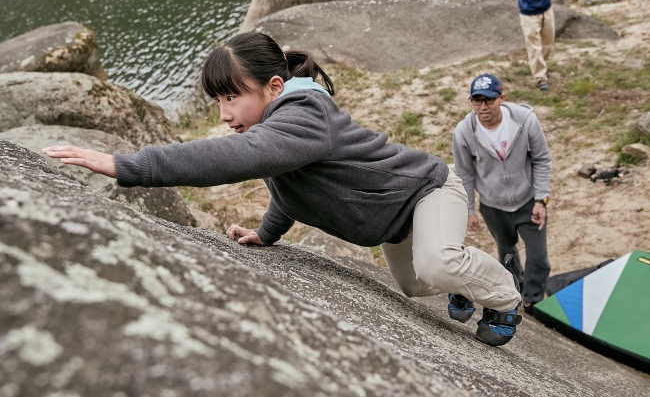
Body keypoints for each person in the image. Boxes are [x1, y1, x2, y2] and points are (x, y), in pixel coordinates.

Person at [43, 32, 522, 346]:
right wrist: (265, 234)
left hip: (428, 191)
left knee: (439, 262)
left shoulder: (306, 117)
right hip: (392, 222)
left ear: (274, 86)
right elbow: (292, 190)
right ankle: (460, 284)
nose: (225, 112)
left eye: (232, 96)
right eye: (217, 101)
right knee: (418, 286)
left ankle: (504, 297)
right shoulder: (278, 136)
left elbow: (236, 159)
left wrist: (130, 165)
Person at [452, 73, 552, 315]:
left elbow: (541, 159)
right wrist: (469, 210)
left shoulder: (525, 119)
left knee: (539, 258)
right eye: (477, 101)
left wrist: (541, 199)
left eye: (488, 100)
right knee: (506, 252)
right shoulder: (464, 132)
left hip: (528, 201)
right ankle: (513, 292)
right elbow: (465, 174)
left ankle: (534, 301)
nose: (483, 107)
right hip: (493, 206)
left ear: (501, 98)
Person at [495, 0, 554, 91]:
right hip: (529, 14)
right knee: (534, 45)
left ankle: (540, 66)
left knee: (548, 42)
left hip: (546, 10)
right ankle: (540, 77)